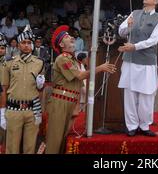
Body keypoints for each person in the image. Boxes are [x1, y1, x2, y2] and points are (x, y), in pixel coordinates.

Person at [45, 25, 116, 154]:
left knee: (62, 139)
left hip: (69, 100)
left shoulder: (72, 60)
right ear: (61, 44)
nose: (72, 37)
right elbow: (80, 76)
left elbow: (78, 84)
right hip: (60, 102)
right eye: (67, 37)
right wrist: (100, 68)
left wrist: (76, 105)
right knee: (55, 140)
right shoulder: (62, 59)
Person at [118, 0, 158, 137]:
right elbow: (121, 31)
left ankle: (144, 126)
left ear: (155, 1)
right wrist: (128, 26)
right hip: (130, 60)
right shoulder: (134, 13)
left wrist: (135, 47)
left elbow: (153, 41)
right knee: (130, 93)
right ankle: (131, 126)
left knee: (146, 93)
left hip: (146, 61)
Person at [0, 26, 45, 154]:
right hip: (13, 111)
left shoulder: (39, 63)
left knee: (30, 148)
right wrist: (2, 112)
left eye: (29, 42)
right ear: (18, 45)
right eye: (23, 42)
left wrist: (39, 111)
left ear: (32, 45)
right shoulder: (8, 63)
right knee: (12, 148)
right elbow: (4, 88)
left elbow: (40, 90)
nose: (26, 45)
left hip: (32, 110)